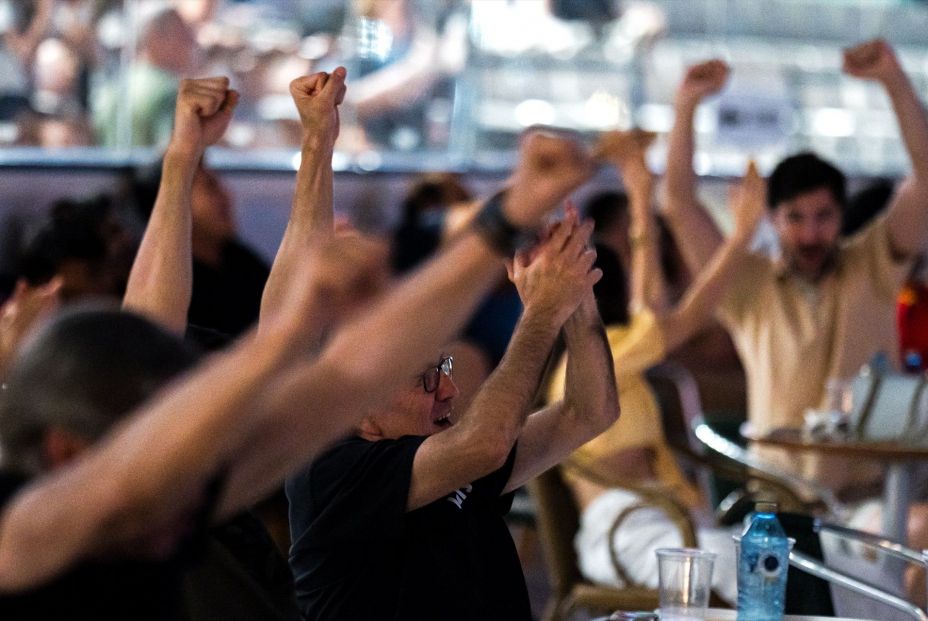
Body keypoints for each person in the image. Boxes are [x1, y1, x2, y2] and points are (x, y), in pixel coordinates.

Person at [0, 68, 595, 598]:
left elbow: (347, 376)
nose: (174, 444)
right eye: (154, 432)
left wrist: (509, 218)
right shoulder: (26, 538)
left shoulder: (172, 502)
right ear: (67, 452)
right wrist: (287, 337)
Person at [286, 203, 615, 620]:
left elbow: (589, 412)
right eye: (425, 377)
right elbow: (487, 442)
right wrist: (543, 311)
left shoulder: (444, 456)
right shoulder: (330, 471)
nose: (449, 388)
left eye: (442, 367)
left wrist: (574, 294)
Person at [661, 39, 928, 504]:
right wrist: (685, 105)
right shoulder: (745, 283)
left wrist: (894, 81)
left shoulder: (875, 262)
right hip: (776, 505)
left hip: (869, 502)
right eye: (795, 218)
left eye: (823, 216)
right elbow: (679, 204)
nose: (810, 233)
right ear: (771, 219)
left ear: (842, 216)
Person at [547, 130, 765, 605]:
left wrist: (642, 192)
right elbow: (679, 318)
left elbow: (653, 311)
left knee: (790, 558)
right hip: (625, 530)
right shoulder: (590, 361)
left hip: (664, 521)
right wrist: (742, 233)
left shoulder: (612, 351)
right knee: (755, 568)